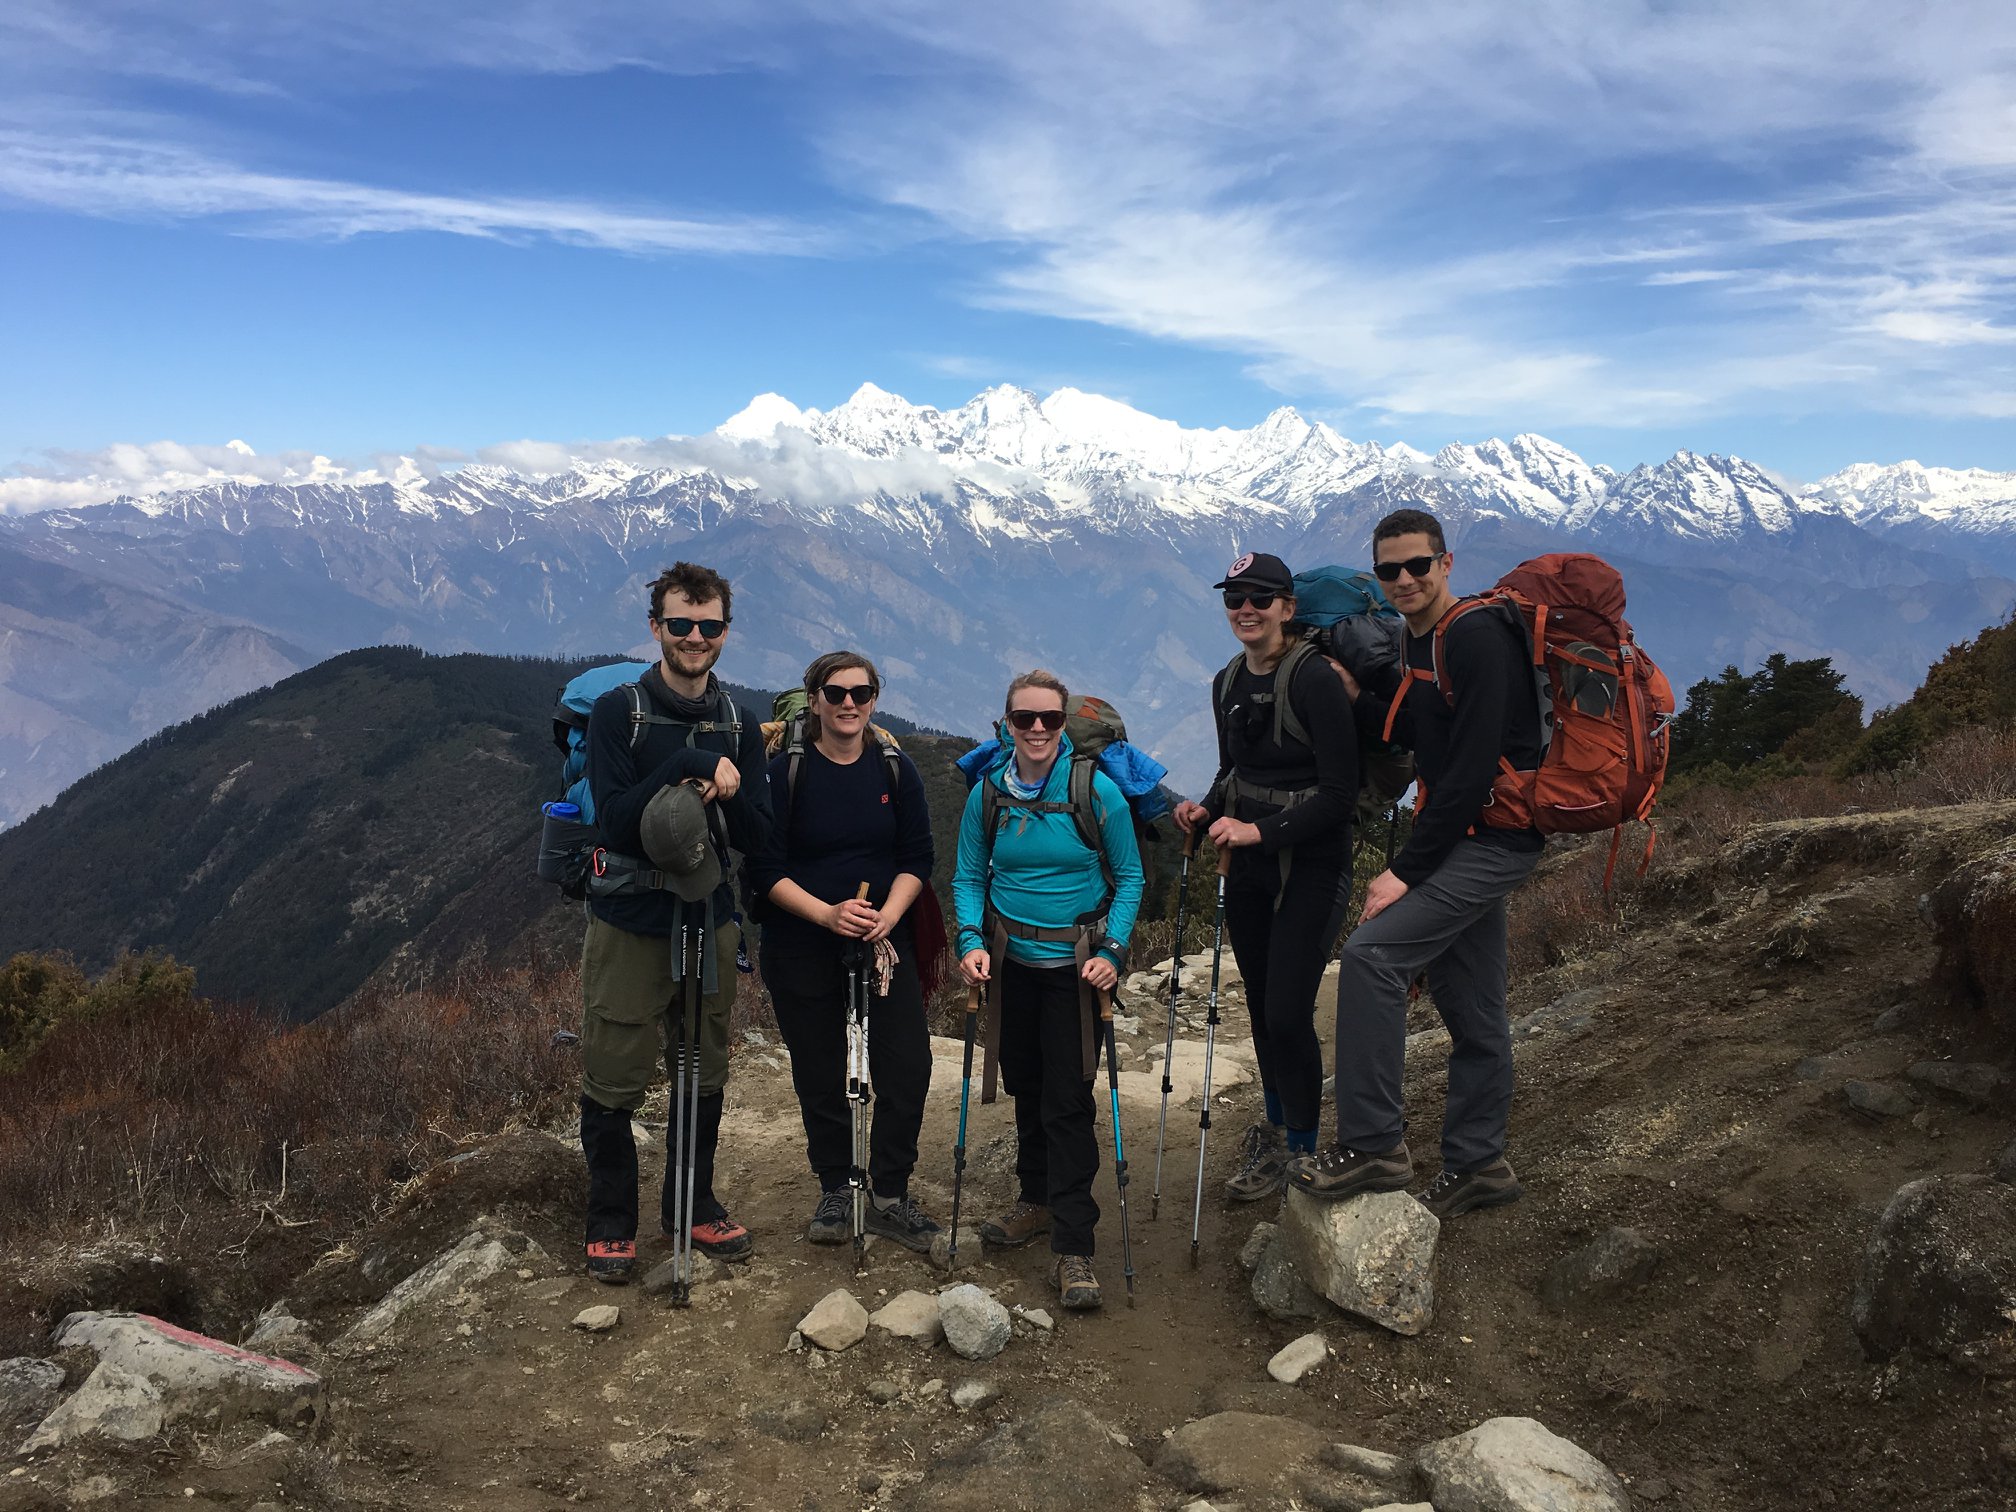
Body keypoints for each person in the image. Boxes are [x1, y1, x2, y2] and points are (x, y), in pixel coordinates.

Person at [1288, 508, 1544, 1218]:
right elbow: (1421, 730)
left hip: (1492, 837)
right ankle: (1479, 1163)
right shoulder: (1419, 641)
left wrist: (1406, 870)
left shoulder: (1476, 637)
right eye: (1388, 570)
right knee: (1474, 1004)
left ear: (1446, 564)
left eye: (1417, 566)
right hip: (1469, 833)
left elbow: (1464, 771)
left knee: (1372, 959)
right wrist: (1357, 700)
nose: (1403, 580)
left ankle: (1372, 1146)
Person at [578, 561, 773, 1282]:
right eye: (681, 624)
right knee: (615, 1074)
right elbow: (616, 823)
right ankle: (610, 1220)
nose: (696, 637)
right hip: (631, 917)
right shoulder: (618, 713)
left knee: (703, 1065)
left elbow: (758, 833)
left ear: (726, 632)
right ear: (655, 627)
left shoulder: (741, 723)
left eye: (709, 625)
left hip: (709, 915)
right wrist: (692, 763)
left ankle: (690, 1204)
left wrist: (729, 792)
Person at [953, 670, 1144, 1311]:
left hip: (1074, 969)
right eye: (1024, 718)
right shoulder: (987, 794)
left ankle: (1075, 1245)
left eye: (1050, 719)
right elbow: (967, 877)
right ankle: (1035, 1200)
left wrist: (1114, 951)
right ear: (1007, 723)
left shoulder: (1096, 790)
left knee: (1066, 1102)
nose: (1037, 729)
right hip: (1009, 967)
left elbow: (1130, 875)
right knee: (1027, 1087)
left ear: (1064, 725)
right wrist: (971, 941)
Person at [1173, 550, 1358, 1201]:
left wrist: (1258, 831)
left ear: (1286, 607)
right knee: (1259, 1003)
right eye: (1234, 598)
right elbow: (1236, 774)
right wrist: (1208, 809)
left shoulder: (1315, 681)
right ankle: (1278, 1132)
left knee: (1285, 1011)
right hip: (1250, 868)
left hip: (1313, 864)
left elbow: (1340, 796)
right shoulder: (1227, 682)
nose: (1245, 608)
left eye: (1260, 597)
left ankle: (1301, 1149)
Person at [746, 651, 944, 1252]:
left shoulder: (893, 769)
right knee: (820, 1069)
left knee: (907, 1064)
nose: (849, 704)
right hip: (802, 943)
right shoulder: (786, 774)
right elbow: (763, 869)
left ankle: (887, 1191)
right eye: (836, 693)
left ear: (875, 699)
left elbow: (918, 857)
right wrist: (827, 915)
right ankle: (836, 1185)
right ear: (815, 700)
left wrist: (885, 915)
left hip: (884, 941)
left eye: (862, 693)